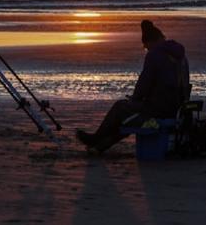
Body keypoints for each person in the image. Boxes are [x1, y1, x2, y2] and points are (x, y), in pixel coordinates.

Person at [76, 19, 190, 153]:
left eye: (146, 47)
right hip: (179, 108)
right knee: (130, 115)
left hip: (160, 108)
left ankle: (96, 139)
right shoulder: (181, 57)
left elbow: (143, 85)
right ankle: (100, 146)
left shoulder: (154, 55)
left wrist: (135, 99)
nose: (146, 50)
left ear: (151, 42)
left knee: (121, 108)